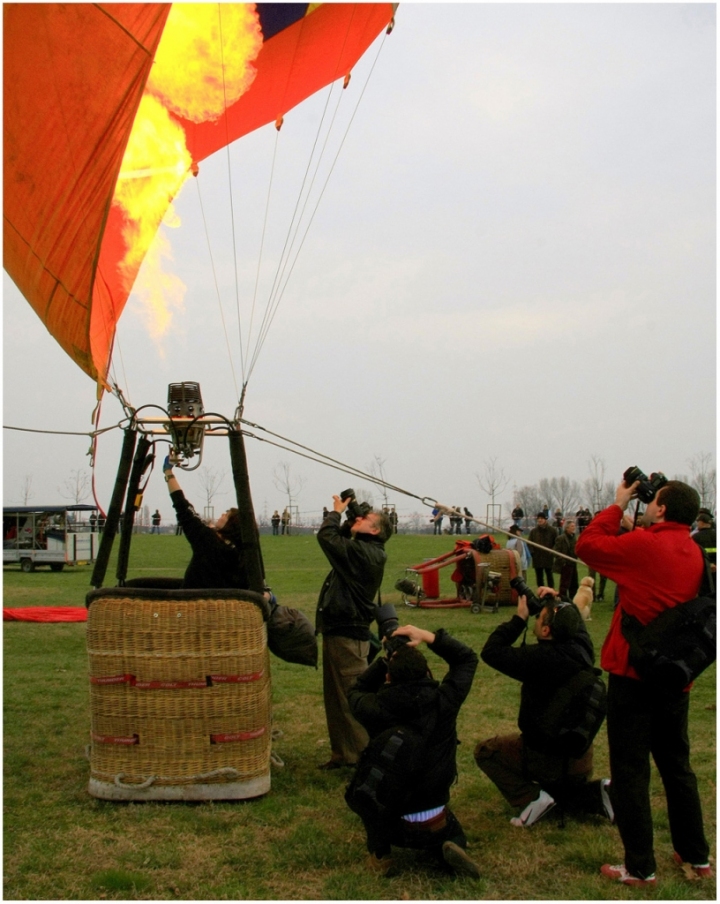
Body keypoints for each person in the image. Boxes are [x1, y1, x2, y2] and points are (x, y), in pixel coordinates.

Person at [576, 478, 711, 886]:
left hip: (635, 676)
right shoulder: (693, 550)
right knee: (677, 768)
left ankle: (639, 867)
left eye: (655, 501)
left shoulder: (646, 546)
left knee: (631, 772)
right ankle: (696, 856)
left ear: (663, 510)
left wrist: (618, 504)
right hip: (675, 678)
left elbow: (587, 546)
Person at [346, 624, 480, 877]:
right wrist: (429, 637)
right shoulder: (444, 702)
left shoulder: (374, 708)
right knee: (448, 831)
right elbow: (466, 658)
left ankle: (381, 854)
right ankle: (449, 845)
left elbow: (355, 690)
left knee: (369, 799)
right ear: (427, 673)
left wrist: (384, 661)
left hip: (392, 816)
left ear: (388, 678)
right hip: (436, 807)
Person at [475, 588, 612, 827]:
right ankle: (596, 794)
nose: (536, 619)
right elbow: (575, 621)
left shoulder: (538, 659)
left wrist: (519, 620)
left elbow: (491, 651)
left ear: (546, 630)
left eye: (539, 618)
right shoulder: (582, 648)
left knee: (486, 751)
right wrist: (559, 600)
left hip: (544, 755)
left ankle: (531, 799)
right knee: (560, 791)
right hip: (580, 757)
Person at [315, 496, 392, 769]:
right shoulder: (366, 548)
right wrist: (356, 513)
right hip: (341, 632)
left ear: (375, 531)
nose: (357, 520)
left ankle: (363, 758)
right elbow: (347, 533)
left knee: (351, 700)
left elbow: (327, 537)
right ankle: (344, 754)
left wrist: (336, 513)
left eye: (365, 520)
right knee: (336, 700)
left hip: (348, 635)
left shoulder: (364, 553)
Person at [163, 457, 249, 590]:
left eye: (226, 515)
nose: (221, 515)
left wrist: (168, 473)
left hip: (192, 603)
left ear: (231, 525)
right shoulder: (243, 554)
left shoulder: (208, 541)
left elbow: (183, 507)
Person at [528, 513, 558, 589]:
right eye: (538, 518)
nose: (540, 520)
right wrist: (532, 553)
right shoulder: (533, 531)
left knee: (549, 576)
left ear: (545, 519)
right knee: (539, 578)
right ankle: (541, 594)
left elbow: (557, 542)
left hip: (548, 557)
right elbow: (529, 543)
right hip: (537, 558)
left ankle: (551, 593)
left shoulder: (552, 531)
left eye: (541, 518)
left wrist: (552, 551)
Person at [553, 520, 579, 599]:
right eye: (572, 526)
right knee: (564, 584)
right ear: (567, 528)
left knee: (574, 584)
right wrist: (563, 561)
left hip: (573, 563)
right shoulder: (561, 538)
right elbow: (555, 551)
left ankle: (572, 600)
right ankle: (563, 600)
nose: (574, 528)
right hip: (566, 565)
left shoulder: (574, 538)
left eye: (574, 526)